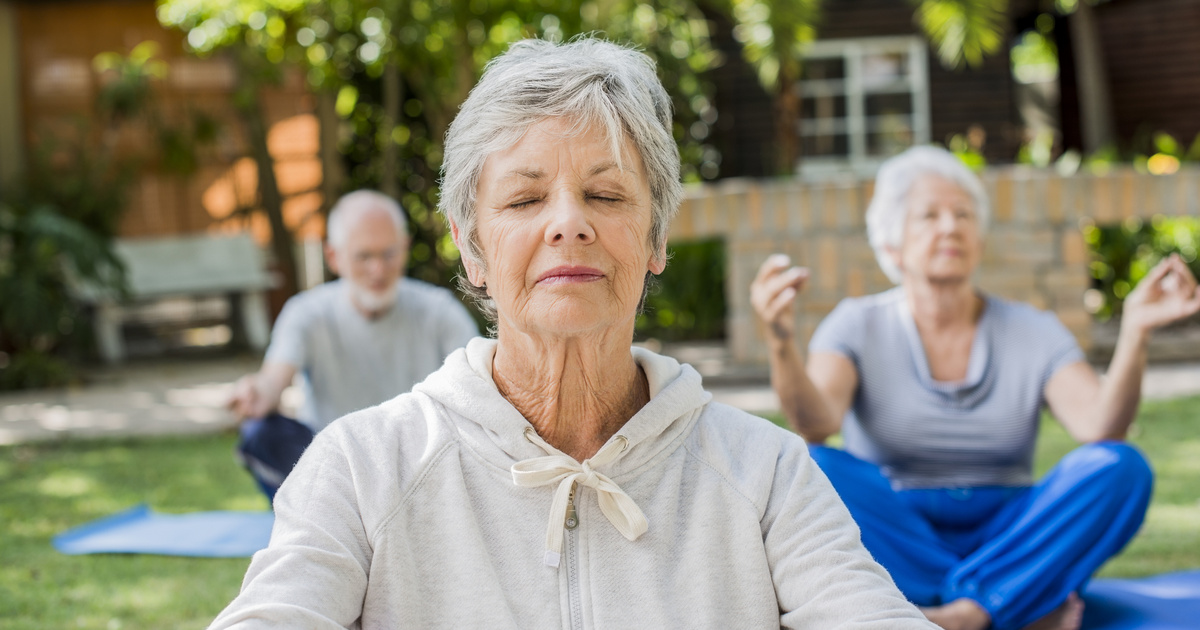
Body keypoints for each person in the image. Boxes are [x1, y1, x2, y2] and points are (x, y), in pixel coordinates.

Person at [209, 38, 936, 628]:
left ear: (653, 241)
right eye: (525, 198)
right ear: (472, 248)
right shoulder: (362, 467)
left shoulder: (765, 471)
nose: (569, 222)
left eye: (606, 194)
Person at [750, 145, 1200, 630]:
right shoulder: (855, 325)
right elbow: (817, 422)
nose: (951, 226)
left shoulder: (1035, 330)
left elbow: (1100, 426)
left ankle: (960, 616)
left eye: (963, 214)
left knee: (1120, 466)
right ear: (892, 243)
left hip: (1011, 534)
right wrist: (780, 341)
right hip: (902, 535)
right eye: (929, 215)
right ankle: (1018, 606)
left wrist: (1135, 332)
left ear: (980, 240)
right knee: (814, 463)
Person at [226, 190, 479, 500]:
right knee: (259, 435)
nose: (378, 270)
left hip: (420, 465)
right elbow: (273, 380)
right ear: (334, 256)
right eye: (364, 256)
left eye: (389, 254)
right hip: (334, 470)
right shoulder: (306, 312)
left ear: (404, 248)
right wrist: (256, 393)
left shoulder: (440, 311)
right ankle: (317, 521)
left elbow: (478, 391)